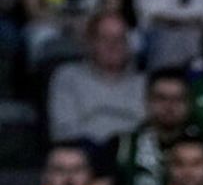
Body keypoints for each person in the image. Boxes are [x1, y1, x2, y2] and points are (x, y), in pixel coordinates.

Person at [46, 15, 143, 145]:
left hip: (132, 153)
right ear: (90, 43)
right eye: (104, 39)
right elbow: (63, 130)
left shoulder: (144, 82)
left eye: (120, 39)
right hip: (84, 153)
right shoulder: (68, 76)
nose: (113, 45)